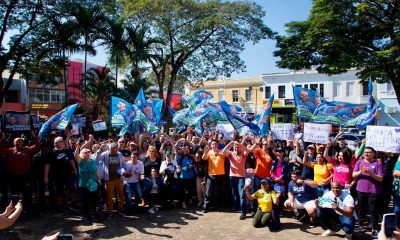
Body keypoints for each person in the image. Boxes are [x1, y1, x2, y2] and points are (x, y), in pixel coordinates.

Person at [0, 130, 40, 212]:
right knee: (15, 194)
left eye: (21, 141)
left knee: (27, 193)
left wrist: (34, 136)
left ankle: (27, 210)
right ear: (14, 143)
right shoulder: (10, 150)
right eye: (17, 141)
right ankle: (15, 210)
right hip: (14, 176)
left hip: (26, 175)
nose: (19, 143)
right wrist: (2, 139)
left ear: (23, 143)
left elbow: (37, 146)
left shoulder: (27, 149)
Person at [352, 146, 383, 239]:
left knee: (373, 209)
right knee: (361, 208)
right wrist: (361, 172)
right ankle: (361, 225)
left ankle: (374, 228)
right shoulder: (359, 162)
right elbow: (353, 175)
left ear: (373, 154)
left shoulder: (378, 164)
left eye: (369, 152)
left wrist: (371, 173)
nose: (366, 154)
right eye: (365, 152)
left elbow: (380, 179)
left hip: (373, 191)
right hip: (361, 189)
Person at [45, 135, 78, 211]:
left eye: (63, 141)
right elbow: (47, 164)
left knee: (72, 189)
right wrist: (46, 176)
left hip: (68, 174)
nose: (63, 142)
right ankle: (60, 206)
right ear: (56, 143)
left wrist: (75, 169)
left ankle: (74, 204)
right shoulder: (51, 152)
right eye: (61, 141)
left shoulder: (67, 151)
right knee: (59, 191)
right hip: (56, 175)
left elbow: (71, 161)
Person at [221, 141, 249, 220]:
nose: (236, 148)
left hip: (241, 177)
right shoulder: (231, 154)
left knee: (242, 194)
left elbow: (247, 151)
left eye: (237, 147)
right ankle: (237, 206)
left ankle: (243, 212)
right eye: (235, 147)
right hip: (232, 176)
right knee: (234, 193)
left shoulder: (243, 154)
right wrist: (229, 144)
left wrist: (239, 144)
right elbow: (223, 152)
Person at [98, 142, 125, 218]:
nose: (115, 151)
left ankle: (121, 209)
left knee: (120, 194)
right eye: (113, 150)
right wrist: (100, 149)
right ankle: (109, 211)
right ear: (110, 149)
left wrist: (123, 170)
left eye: (116, 149)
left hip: (119, 178)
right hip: (109, 179)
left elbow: (123, 163)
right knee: (109, 196)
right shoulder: (104, 154)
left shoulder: (119, 154)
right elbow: (97, 159)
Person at [74, 146, 100, 222]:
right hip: (84, 185)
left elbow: (95, 171)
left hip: (94, 184)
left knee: (95, 200)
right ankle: (87, 216)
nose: (87, 153)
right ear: (82, 154)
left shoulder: (93, 161)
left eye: (88, 152)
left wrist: (99, 179)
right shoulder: (81, 161)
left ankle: (95, 213)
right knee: (85, 201)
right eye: (85, 152)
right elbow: (75, 155)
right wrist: (78, 146)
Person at [202, 139, 226, 212]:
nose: (214, 145)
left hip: (221, 174)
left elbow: (224, 156)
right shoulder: (209, 152)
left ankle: (219, 206)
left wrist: (218, 153)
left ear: (217, 145)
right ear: (211, 145)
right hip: (211, 174)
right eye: (213, 144)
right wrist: (205, 151)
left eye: (215, 144)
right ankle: (206, 206)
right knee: (208, 191)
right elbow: (203, 158)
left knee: (220, 191)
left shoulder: (221, 151)